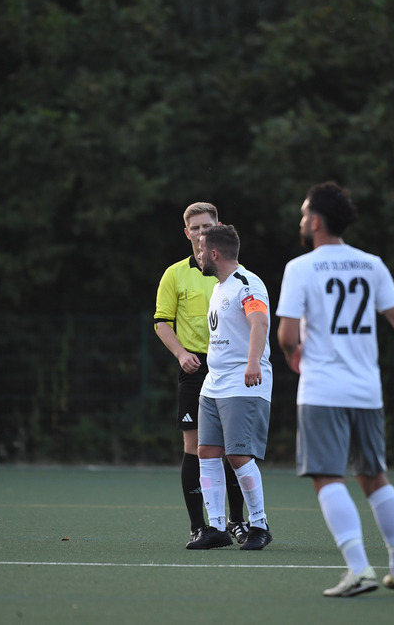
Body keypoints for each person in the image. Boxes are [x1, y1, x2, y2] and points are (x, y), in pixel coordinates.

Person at [276, 181, 394, 597]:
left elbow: (286, 334)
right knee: (374, 477)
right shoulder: (371, 264)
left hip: (323, 390)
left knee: (328, 477)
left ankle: (359, 569)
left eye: (302, 213)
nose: (300, 220)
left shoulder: (301, 268)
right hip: (367, 390)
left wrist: (294, 355)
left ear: (315, 221)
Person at [153, 203, 248, 546]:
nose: (201, 232)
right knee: (195, 447)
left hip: (232, 368)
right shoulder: (174, 274)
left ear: (218, 226)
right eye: (195, 228)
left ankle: (237, 522)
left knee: (234, 447)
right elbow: (161, 321)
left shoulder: (234, 273)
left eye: (207, 226)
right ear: (187, 233)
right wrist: (181, 354)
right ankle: (200, 526)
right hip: (196, 369)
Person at [186, 225, 274, 550]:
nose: (197, 255)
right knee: (206, 452)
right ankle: (217, 528)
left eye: (199, 249)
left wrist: (253, 362)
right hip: (214, 384)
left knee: (238, 454)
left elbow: (260, 322)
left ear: (213, 253)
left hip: (242, 381)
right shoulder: (219, 287)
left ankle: (259, 525)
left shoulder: (246, 284)